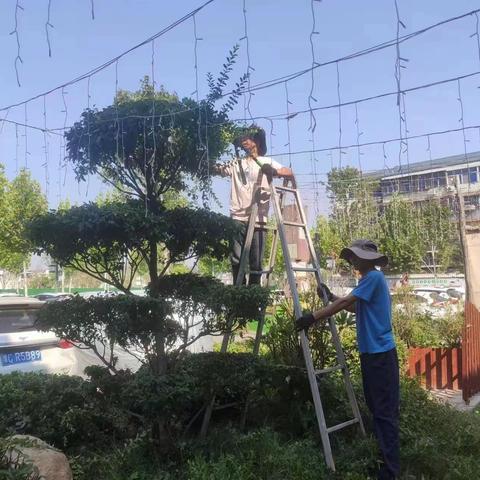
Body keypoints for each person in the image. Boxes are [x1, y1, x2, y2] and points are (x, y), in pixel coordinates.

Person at [296, 240, 399, 480]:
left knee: (384, 413)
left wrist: (312, 317)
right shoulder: (368, 281)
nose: (352, 261)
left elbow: (345, 303)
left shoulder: (373, 277)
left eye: (355, 257)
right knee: (378, 409)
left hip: (380, 355)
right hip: (373, 354)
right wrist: (331, 295)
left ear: (368, 259)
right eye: (351, 257)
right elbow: (353, 307)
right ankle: (384, 463)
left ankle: (390, 472)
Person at [214, 126, 294, 285]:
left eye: (248, 138)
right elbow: (218, 169)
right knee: (236, 260)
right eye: (242, 139)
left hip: (258, 220)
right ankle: (239, 294)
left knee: (255, 264)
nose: (244, 142)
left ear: (256, 141)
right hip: (237, 218)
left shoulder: (266, 161)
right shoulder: (236, 163)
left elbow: (289, 172)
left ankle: (253, 297)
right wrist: (205, 162)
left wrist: (273, 172)